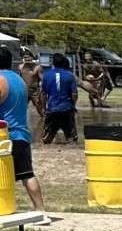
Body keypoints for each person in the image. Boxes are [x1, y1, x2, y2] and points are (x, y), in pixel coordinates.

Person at [0, 48, 49, 219]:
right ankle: (40, 209)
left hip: (7, 137)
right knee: (27, 174)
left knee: (22, 175)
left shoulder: (0, 80)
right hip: (21, 134)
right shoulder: (19, 80)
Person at [40, 52, 79, 144]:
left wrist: (44, 108)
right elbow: (74, 94)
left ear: (53, 63)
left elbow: (43, 94)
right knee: (72, 139)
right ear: (64, 63)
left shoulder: (46, 75)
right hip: (66, 109)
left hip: (52, 109)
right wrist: (73, 105)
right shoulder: (70, 76)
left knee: (46, 139)